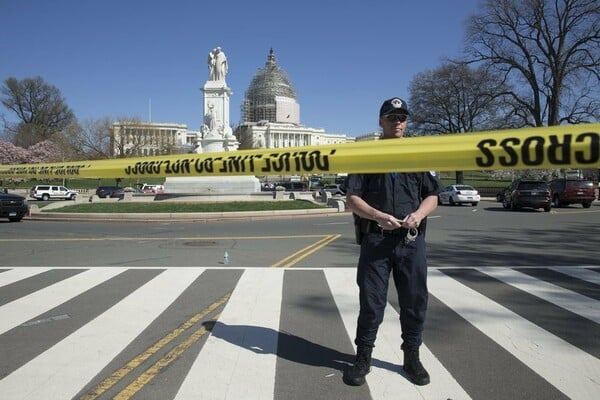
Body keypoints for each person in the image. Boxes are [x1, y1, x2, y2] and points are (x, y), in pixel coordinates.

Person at [343, 97, 443, 387]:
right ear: (380, 121)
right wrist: (376, 216)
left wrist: (419, 214)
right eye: (391, 117)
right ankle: (363, 357)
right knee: (372, 303)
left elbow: (432, 195)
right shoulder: (366, 154)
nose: (397, 122)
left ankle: (411, 356)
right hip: (377, 240)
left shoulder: (419, 153)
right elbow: (352, 198)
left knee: (414, 301)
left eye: (401, 117)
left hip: (411, 242)